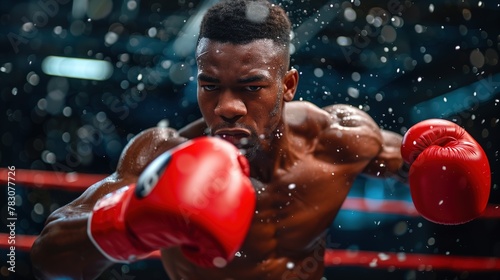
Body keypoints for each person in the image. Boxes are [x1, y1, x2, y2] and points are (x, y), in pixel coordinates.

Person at [30, 0, 490, 279]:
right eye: (210, 85)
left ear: (287, 86)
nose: (227, 106)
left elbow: (418, 159)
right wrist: (125, 224)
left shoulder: (338, 140)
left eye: (250, 87)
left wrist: (446, 161)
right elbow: (48, 257)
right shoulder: (162, 153)